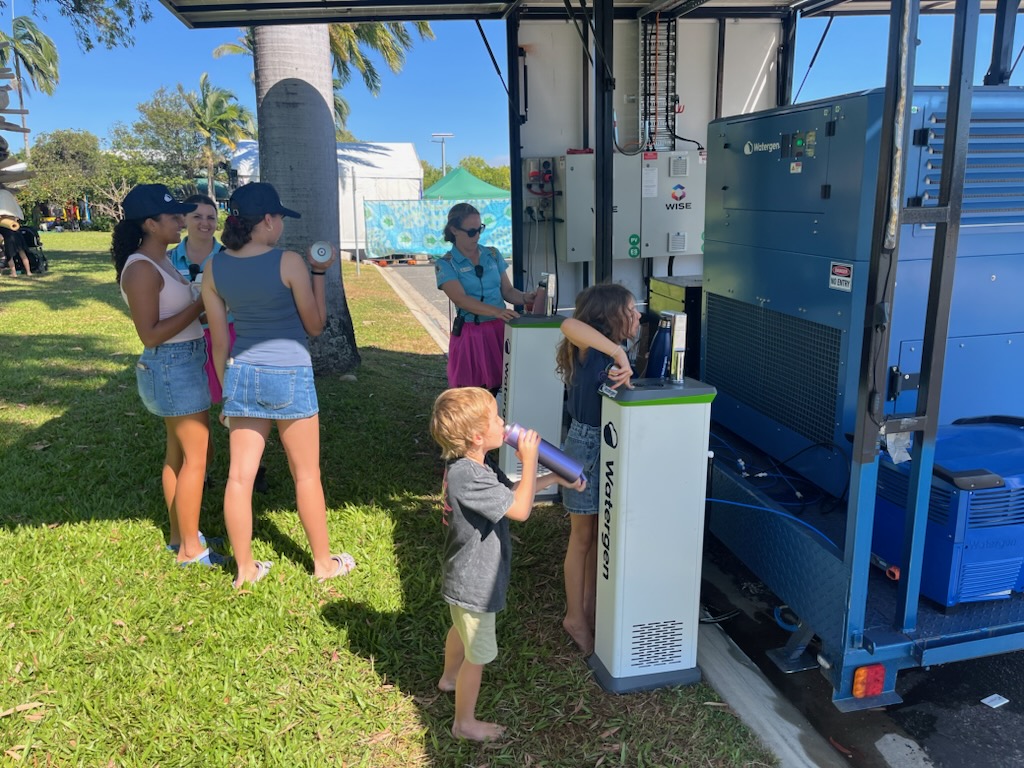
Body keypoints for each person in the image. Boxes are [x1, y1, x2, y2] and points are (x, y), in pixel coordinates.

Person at [202, 182, 355, 588]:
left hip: (242, 375)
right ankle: (324, 565)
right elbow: (315, 326)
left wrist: (226, 394)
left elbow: (219, 342)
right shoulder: (288, 262)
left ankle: (245, 570)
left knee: (239, 478)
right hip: (290, 373)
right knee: (306, 475)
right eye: (280, 218)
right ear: (267, 220)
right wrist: (319, 273)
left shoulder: (215, 267)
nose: (282, 226)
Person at [429, 387, 585, 741]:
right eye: (497, 418)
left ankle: (449, 678)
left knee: (460, 630)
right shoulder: (468, 477)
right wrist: (530, 460)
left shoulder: (473, 468)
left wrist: (554, 478)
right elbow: (520, 510)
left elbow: (512, 492)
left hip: (462, 578)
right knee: (479, 655)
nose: (505, 423)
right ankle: (464, 723)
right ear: (477, 436)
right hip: (475, 585)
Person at [112, 183, 224, 566]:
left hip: (185, 360)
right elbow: (150, 334)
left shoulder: (160, 262)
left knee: (178, 455)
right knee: (196, 458)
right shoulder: (141, 268)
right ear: (149, 224)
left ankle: (181, 535)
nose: (181, 221)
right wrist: (200, 304)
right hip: (171, 364)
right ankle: (192, 550)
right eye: (173, 216)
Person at [554, 284, 639, 654]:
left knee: (596, 537)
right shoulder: (594, 346)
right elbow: (569, 325)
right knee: (583, 538)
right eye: (632, 309)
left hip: (602, 442)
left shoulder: (608, 352)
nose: (638, 316)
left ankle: (589, 608)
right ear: (610, 315)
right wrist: (619, 351)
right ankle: (575, 617)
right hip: (585, 444)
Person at [168, 194, 269, 493]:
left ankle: (252, 468)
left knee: (240, 403)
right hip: (186, 341)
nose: (204, 222)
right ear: (184, 220)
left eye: (210, 217)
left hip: (228, 335)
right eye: (196, 216)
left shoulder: (230, 256)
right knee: (195, 409)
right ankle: (199, 466)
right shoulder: (168, 260)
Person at [434, 203, 536, 392]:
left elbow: (507, 291)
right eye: (471, 231)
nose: (477, 236)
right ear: (454, 230)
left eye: (480, 229)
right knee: (475, 394)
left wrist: (526, 298)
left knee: (506, 388)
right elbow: (460, 299)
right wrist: (497, 311)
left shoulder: (493, 254)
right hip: (472, 334)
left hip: (501, 329)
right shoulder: (446, 264)